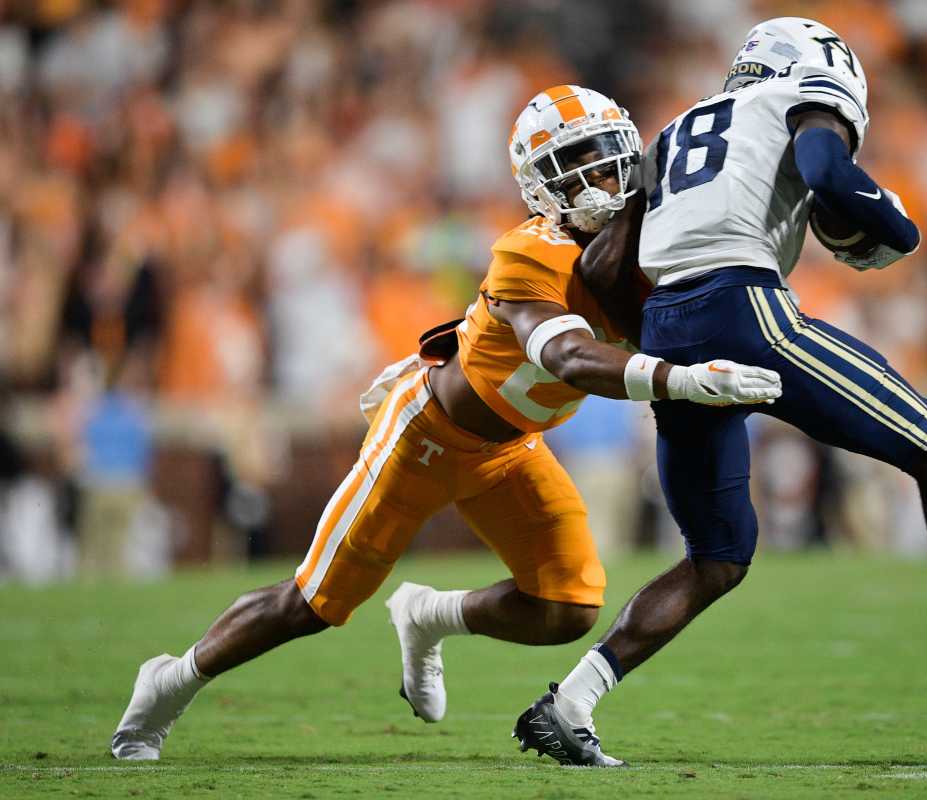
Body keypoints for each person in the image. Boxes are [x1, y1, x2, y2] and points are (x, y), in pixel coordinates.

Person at [110, 85, 781, 760]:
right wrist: (682, 379)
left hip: (512, 447)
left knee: (567, 608)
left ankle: (428, 614)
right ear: (540, 181)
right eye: (580, 161)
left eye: (609, 159)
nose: (602, 178)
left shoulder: (645, 245)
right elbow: (570, 356)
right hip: (426, 434)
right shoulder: (530, 250)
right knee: (311, 604)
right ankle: (169, 681)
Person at [512, 20, 927, 767]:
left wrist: (663, 342)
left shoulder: (672, 134)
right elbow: (825, 169)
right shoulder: (801, 96)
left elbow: (601, 267)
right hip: (747, 305)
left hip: (667, 324)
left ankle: (569, 703)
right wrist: (897, 223)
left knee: (717, 557)